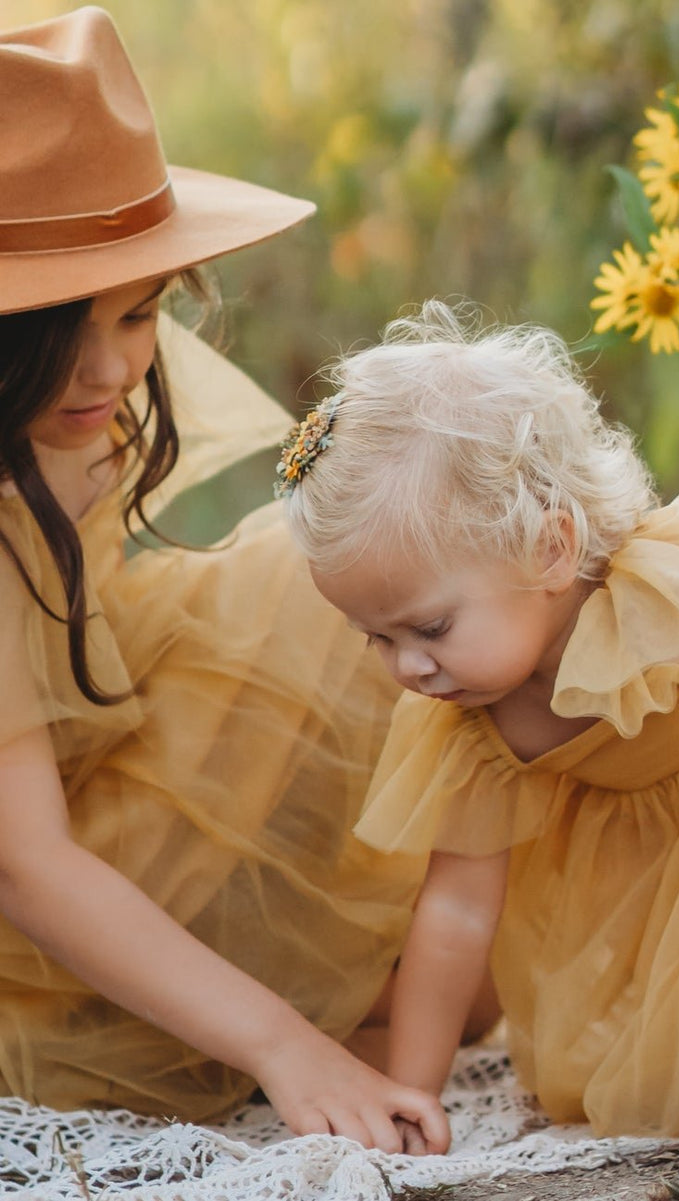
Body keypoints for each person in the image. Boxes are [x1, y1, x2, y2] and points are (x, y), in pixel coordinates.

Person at [0, 7, 453, 1154]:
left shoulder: (62, 412)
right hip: (22, 900)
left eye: (141, 310)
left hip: (67, 764)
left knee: (345, 585)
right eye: (54, 332)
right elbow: (25, 863)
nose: (106, 371)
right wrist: (277, 1040)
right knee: (290, 602)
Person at [282, 297, 679, 1143]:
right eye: (377, 636)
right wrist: (411, 1090)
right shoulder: (473, 729)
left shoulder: (675, 589)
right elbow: (454, 914)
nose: (408, 665)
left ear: (551, 548)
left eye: (432, 627)